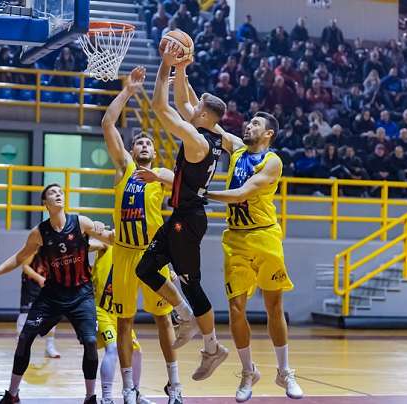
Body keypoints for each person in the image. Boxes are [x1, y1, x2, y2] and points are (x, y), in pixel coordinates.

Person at [135, 42, 230, 392]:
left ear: (203, 116)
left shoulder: (196, 139)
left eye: (197, 107)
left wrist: (164, 65)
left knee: (192, 283)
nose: (190, 107)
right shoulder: (208, 132)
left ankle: (212, 347)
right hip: (181, 214)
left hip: (188, 221)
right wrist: (182, 68)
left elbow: (161, 106)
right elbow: (180, 102)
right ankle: (185, 316)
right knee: (145, 269)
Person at [0, 184, 114, 404]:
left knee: (89, 341)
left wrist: (108, 229)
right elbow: (20, 258)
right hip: (52, 295)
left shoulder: (81, 222)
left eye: (60, 192)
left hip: (82, 294)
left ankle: (90, 397)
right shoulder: (39, 233)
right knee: (24, 338)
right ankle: (12, 394)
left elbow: (111, 239)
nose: (58, 195)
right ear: (45, 203)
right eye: (52, 193)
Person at [206, 112, 304, 402]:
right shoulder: (236, 148)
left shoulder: (272, 161)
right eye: (248, 122)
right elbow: (202, 118)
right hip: (235, 239)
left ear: (269, 134)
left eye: (256, 124)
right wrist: (179, 73)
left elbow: (242, 194)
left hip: (264, 237)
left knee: (274, 306)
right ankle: (248, 371)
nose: (249, 125)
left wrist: (201, 194)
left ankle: (284, 371)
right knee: (236, 308)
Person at [100, 66, 178, 404]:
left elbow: (179, 182)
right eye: (139, 142)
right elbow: (107, 124)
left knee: (163, 320)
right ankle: (129, 388)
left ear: (154, 152)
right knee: (125, 321)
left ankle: (174, 384)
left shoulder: (161, 175)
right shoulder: (124, 169)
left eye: (148, 142)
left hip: (152, 253)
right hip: (124, 254)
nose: (143, 144)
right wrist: (128, 91)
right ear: (133, 151)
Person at [90, 240, 153, 404]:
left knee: (137, 351)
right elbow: (89, 244)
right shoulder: (108, 243)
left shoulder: (135, 253)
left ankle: (134, 393)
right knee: (113, 348)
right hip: (101, 310)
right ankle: (107, 397)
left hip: (120, 313)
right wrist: (89, 237)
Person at [17, 254, 61, 359]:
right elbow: (25, 266)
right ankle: (20, 345)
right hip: (32, 284)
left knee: (52, 314)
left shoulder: (57, 245)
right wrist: (39, 278)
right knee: (25, 315)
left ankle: (50, 347)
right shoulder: (35, 243)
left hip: (49, 283)